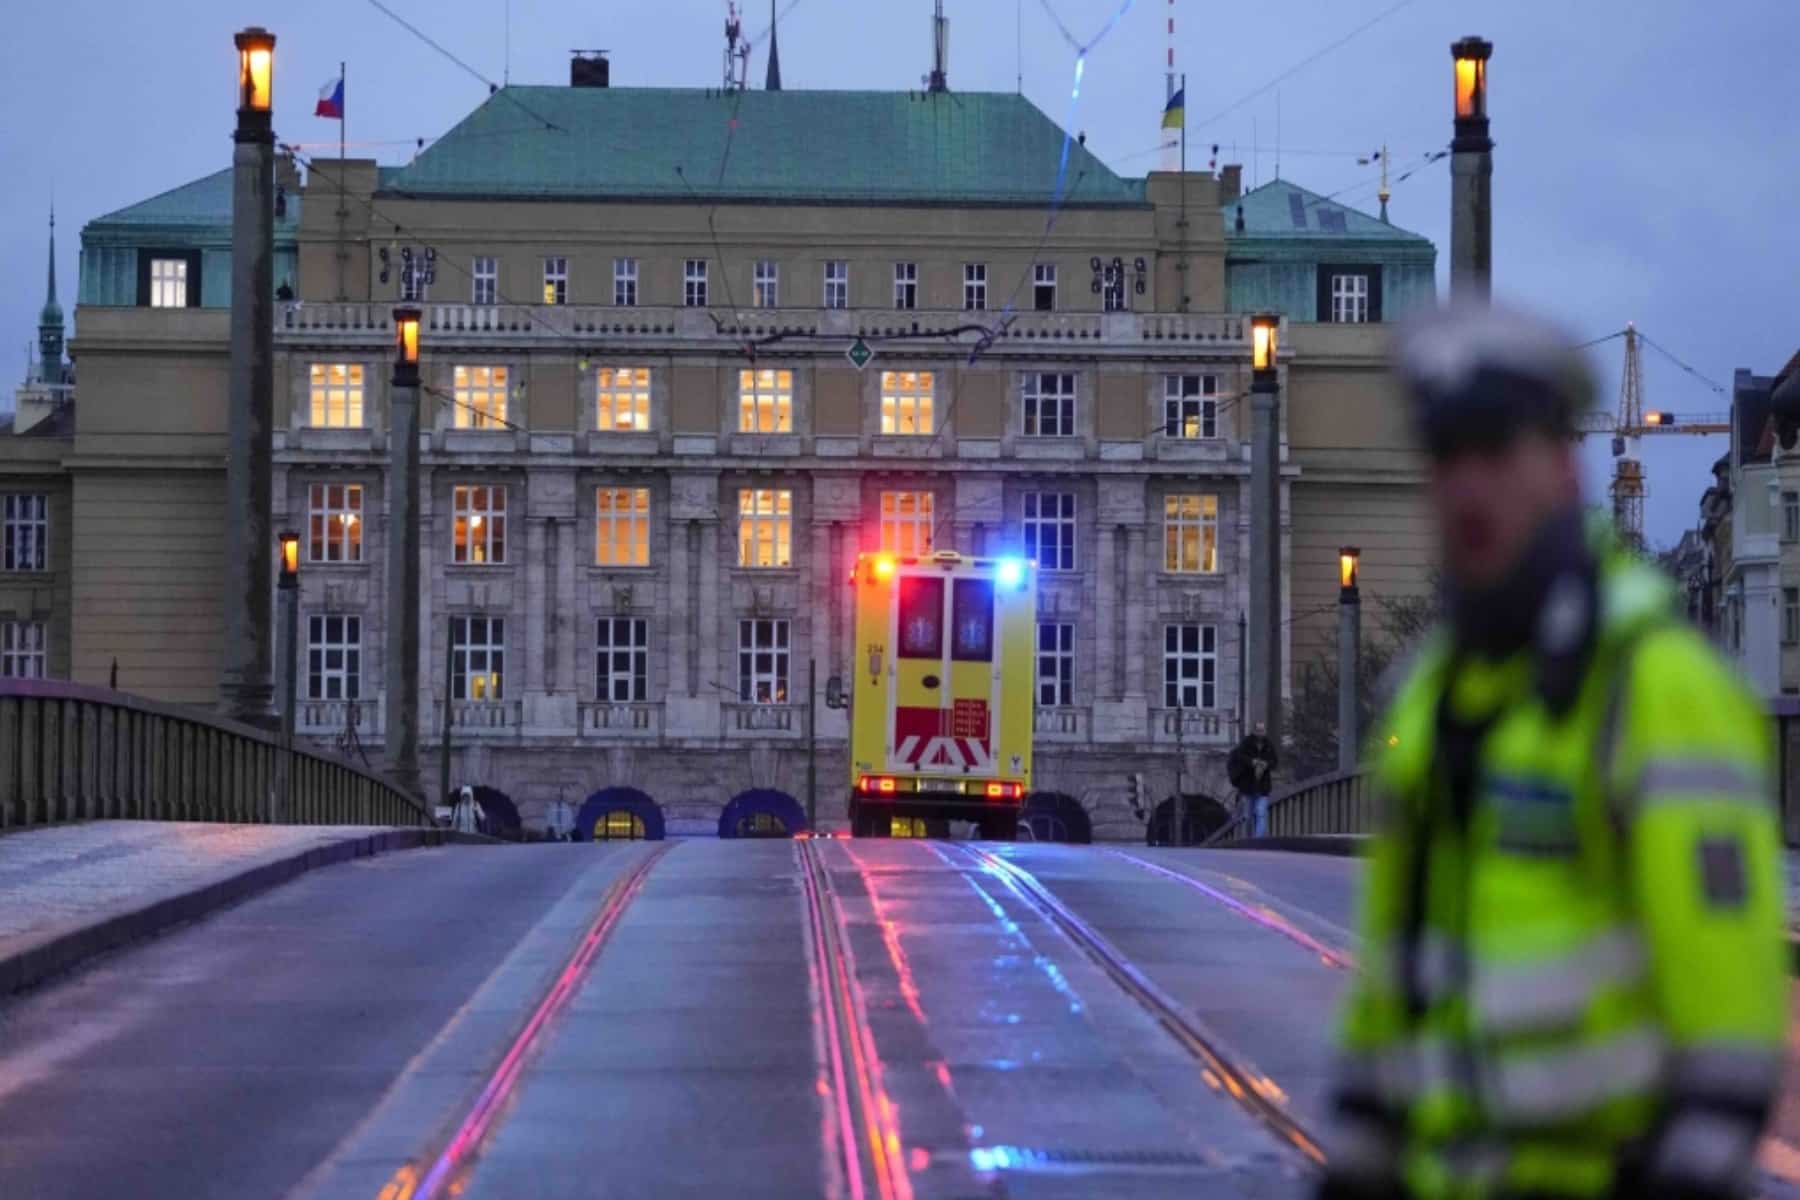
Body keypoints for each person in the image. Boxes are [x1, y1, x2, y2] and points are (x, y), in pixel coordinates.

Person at [1318, 302, 1786, 1200]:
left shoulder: (1657, 688)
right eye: (1447, 457)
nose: (1468, 488)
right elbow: (1397, 982)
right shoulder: (1430, 692)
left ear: (1563, 466)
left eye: (1497, 452)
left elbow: (1728, 1019)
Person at [1228, 721, 1279, 837]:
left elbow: (1275, 761)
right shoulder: (1245, 744)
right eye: (1259, 730)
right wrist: (1252, 762)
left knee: (1261, 813)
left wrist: (1267, 764)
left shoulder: (1269, 745)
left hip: (1263, 786)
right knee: (1248, 815)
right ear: (1254, 731)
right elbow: (1239, 758)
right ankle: (1249, 839)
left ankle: (1258, 840)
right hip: (1248, 786)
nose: (1261, 733)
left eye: (1263, 730)